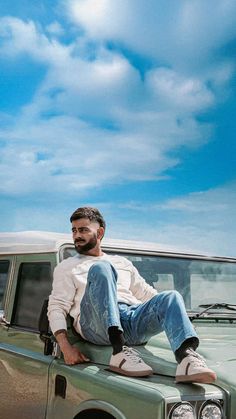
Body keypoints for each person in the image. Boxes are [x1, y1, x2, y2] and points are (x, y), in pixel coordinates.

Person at [48, 206, 217, 382]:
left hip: (131, 319)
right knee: (101, 268)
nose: (77, 236)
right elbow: (57, 307)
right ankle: (119, 352)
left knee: (171, 296)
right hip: (95, 325)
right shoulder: (67, 267)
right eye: (74, 231)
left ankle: (187, 359)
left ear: (99, 233)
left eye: (83, 230)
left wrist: (181, 319)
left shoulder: (122, 263)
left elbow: (146, 294)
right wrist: (65, 348)